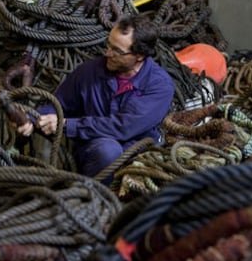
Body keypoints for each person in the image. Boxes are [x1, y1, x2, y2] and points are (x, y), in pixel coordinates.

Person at [16, 13, 175, 184]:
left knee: (109, 149)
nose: (108, 53)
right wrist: (30, 119)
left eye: (117, 51)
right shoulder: (90, 71)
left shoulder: (159, 86)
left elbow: (122, 127)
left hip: (138, 154)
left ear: (139, 56)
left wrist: (67, 125)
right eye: (109, 45)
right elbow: (59, 104)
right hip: (94, 151)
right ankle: (94, 200)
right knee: (106, 150)